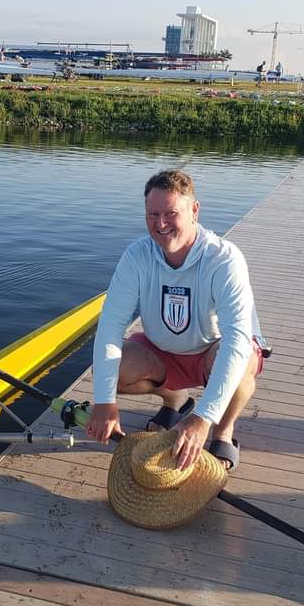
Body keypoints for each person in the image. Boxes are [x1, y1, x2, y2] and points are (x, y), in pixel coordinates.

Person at [86, 170, 266, 473]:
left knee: (242, 359)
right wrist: (104, 403)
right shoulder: (136, 256)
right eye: (152, 215)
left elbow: (236, 341)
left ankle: (223, 431)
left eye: (171, 213)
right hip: (163, 353)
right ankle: (176, 402)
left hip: (214, 351)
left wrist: (203, 418)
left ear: (194, 210)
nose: (160, 224)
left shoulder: (223, 260)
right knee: (110, 372)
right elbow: (110, 327)